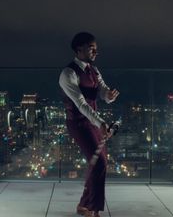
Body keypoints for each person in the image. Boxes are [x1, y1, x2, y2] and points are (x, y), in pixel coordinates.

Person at [59, 32, 119, 217]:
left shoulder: (94, 70)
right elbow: (81, 104)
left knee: (99, 163)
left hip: (93, 121)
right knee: (99, 163)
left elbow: (101, 90)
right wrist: (101, 122)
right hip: (78, 123)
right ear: (79, 49)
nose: (96, 51)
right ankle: (93, 210)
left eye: (96, 48)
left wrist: (108, 96)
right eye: (91, 48)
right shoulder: (68, 73)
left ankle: (83, 205)